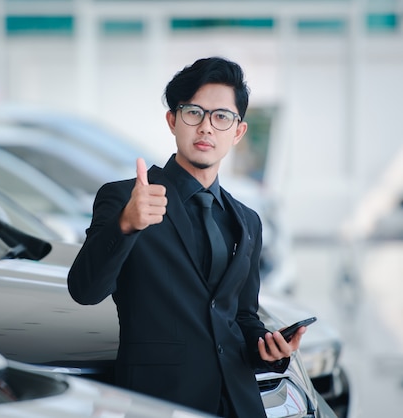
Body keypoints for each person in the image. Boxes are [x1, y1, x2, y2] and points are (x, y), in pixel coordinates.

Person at [67, 57, 306, 418]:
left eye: (221, 117)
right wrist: (126, 225)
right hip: (160, 402)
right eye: (194, 113)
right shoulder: (126, 199)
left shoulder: (247, 221)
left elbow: (241, 316)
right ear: (173, 121)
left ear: (237, 131)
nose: (206, 128)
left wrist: (267, 348)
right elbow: (85, 290)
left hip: (238, 403)